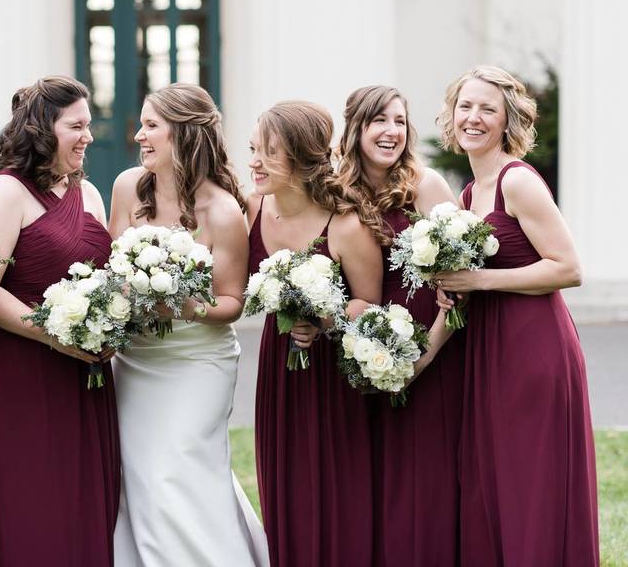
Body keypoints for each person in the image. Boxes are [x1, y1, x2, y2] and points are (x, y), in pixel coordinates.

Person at [433, 65, 599, 565]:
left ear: (508, 120)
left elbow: (568, 268)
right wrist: (452, 292)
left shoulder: (517, 181)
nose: (474, 118)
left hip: (533, 349)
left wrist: (479, 280)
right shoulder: (468, 193)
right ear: (452, 114)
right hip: (488, 350)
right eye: (466, 106)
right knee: (496, 478)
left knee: (533, 480)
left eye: (488, 109)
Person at [107, 83, 269, 567]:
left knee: (176, 472)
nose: (140, 135)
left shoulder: (222, 210)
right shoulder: (126, 187)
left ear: (182, 133)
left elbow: (232, 303)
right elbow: (110, 271)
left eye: (151, 125)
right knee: (138, 476)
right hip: (136, 359)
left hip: (197, 361)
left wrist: (179, 307)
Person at [0, 76, 119, 566]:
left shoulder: (90, 194)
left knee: (85, 495)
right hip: (20, 370)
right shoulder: (6, 192)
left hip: (83, 373)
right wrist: (53, 333)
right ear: (42, 130)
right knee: (31, 500)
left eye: (89, 125)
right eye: (76, 125)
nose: (88, 136)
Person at [246, 101, 382, 566]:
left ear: (304, 160)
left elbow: (370, 304)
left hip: (333, 377)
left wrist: (324, 318)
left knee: (334, 487)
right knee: (281, 481)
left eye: (269, 152)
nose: (255, 162)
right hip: (278, 369)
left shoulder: (345, 224)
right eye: (253, 150)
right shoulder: (250, 210)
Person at [334, 85, 463, 565]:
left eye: (400, 122)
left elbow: (461, 276)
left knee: (425, 473)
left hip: (434, 342)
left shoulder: (425, 185)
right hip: (369, 351)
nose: (391, 132)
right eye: (378, 121)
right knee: (380, 476)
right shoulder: (336, 189)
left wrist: (425, 354)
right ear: (355, 128)